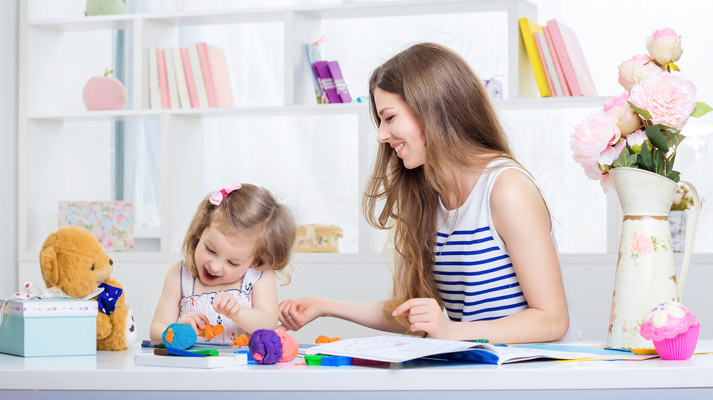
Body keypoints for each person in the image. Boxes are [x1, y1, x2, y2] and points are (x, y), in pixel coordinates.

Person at [278, 43, 571, 344]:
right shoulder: (431, 196)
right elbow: (419, 314)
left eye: (389, 118)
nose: (381, 135)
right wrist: (325, 307)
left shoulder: (507, 190)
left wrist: (452, 331)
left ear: (433, 110)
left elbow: (552, 319)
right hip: (473, 371)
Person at [150, 183, 296, 342]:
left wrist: (237, 312)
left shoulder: (257, 275)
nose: (215, 266)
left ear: (255, 260)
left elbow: (267, 324)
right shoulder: (179, 274)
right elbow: (156, 329)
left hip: (241, 366)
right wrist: (176, 329)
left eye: (233, 263)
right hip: (191, 365)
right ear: (200, 230)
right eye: (210, 250)